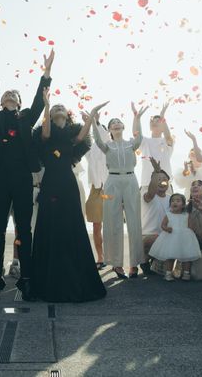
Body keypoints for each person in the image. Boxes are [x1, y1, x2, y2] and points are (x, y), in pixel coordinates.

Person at [0, 45, 54, 302]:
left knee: (24, 229)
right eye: (6, 94)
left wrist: (46, 72)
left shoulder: (26, 118)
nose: (8, 95)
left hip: (23, 179)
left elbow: (39, 100)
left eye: (13, 95)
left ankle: (26, 279)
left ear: (18, 102)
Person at [29, 91, 106, 302]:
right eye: (55, 108)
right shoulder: (45, 133)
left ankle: (74, 274)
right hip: (50, 183)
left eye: (61, 107)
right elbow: (45, 134)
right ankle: (49, 278)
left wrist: (92, 115)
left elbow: (82, 137)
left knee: (72, 226)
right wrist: (47, 105)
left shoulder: (72, 134)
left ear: (67, 114)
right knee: (49, 225)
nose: (59, 108)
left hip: (68, 184)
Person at [91, 101, 148, 279]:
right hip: (112, 181)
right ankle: (116, 263)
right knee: (112, 221)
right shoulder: (107, 145)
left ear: (123, 127)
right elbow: (97, 139)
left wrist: (137, 118)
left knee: (134, 221)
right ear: (109, 129)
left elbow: (139, 136)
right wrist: (93, 119)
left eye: (118, 122)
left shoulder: (131, 144)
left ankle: (134, 264)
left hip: (130, 180)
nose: (116, 123)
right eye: (113, 123)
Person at [149, 193, 201, 281]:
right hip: (171, 238)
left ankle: (186, 273)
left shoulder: (186, 215)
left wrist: (192, 226)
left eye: (178, 201)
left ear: (183, 205)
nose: (175, 202)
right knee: (170, 257)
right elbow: (163, 225)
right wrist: (166, 228)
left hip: (184, 239)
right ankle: (168, 273)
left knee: (186, 257)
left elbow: (191, 227)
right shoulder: (168, 214)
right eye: (172, 201)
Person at [84, 116, 109, 269]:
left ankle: (112, 257)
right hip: (95, 189)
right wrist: (88, 123)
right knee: (96, 225)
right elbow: (84, 138)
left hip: (110, 188)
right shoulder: (90, 149)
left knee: (111, 225)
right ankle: (100, 257)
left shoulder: (109, 145)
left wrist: (96, 122)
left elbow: (103, 135)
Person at [139, 102, 174, 202]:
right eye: (152, 121)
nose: (154, 122)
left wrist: (162, 116)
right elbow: (136, 134)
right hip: (147, 183)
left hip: (164, 183)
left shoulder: (166, 141)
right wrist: (137, 118)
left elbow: (168, 137)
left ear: (163, 127)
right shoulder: (145, 141)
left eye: (158, 121)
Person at [141, 166, 170, 275]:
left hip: (165, 235)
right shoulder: (148, 196)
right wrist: (156, 172)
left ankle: (155, 259)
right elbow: (151, 191)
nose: (162, 182)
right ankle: (145, 260)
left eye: (164, 179)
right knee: (155, 239)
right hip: (148, 236)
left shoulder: (171, 199)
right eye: (158, 179)